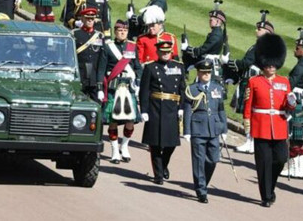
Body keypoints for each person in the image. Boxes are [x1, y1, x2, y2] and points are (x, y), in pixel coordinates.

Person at [243, 33, 296, 207]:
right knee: (264, 163)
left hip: (279, 126)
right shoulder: (254, 81)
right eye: (269, 63)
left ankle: (270, 186)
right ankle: (266, 196)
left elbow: (288, 107)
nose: (271, 66)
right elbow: (248, 105)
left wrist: (291, 103)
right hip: (261, 126)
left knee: (280, 159)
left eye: (274, 63)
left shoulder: (284, 82)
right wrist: (247, 124)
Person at [140, 40, 186, 185]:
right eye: (163, 52)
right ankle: (158, 174)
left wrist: (181, 107)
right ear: (158, 52)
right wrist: (144, 110)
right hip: (155, 108)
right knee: (155, 144)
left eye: (168, 52)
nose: (165, 54)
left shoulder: (179, 67)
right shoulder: (151, 68)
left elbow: (182, 89)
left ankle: (163, 164)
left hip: (172, 108)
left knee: (171, 144)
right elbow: (144, 90)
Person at [96, 19, 142, 164]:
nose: (122, 33)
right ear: (115, 32)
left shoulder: (132, 46)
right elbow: (101, 69)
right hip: (113, 87)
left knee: (130, 120)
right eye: (120, 31)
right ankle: (115, 151)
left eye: (125, 31)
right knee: (113, 121)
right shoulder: (108, 47)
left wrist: (139, 82)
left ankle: (124, 146)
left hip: (129, 87)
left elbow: (138, 67)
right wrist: (99, 88)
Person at [183, 59, 228, 203]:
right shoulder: (192, 89)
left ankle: (203, 182)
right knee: (198, 161)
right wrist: (187, 131)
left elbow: (221, 109)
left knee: (213, 159)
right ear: (199, 73)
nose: (207, 75)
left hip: (214, 129)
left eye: (209, 72)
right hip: (198, 128)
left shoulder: (217, 88)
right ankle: (201, 190)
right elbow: (188, 111)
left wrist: (224, 128)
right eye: (204, 72)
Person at [231, 10, 274, 154]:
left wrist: (231, 62)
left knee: (249, 111)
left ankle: (250, 141)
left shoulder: (261, 46)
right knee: (249, 111)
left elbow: (247, 62)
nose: (256, 30)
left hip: (252, 79)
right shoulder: (260, 45)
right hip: (252, 78)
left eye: (259, 29)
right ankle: (250, 141)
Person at [280, 27, 303, 179]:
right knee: (297, 138)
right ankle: (298, 169)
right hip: (300, 100)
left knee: (294, 136)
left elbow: (290, 84)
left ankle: (296, 169)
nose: (295, 50)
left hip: (297, 101)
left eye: (298, 48)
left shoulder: (301, 66)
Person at [182, 0, 227, 76]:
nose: (210, 21)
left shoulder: (216, 34)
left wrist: (187, 48)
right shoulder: (216, 32)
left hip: (209, 63)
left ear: (218, 21)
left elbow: (202, 50)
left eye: (212, 20)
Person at [72, 8, 104, 102]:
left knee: (97, 104)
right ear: (82, 19)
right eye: (87, 18)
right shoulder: (75, 34)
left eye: (92, 19)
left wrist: (100, 82)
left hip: (94, 76)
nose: (90, 21)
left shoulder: (99, 36)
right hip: (80, 75)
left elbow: (102, 58)